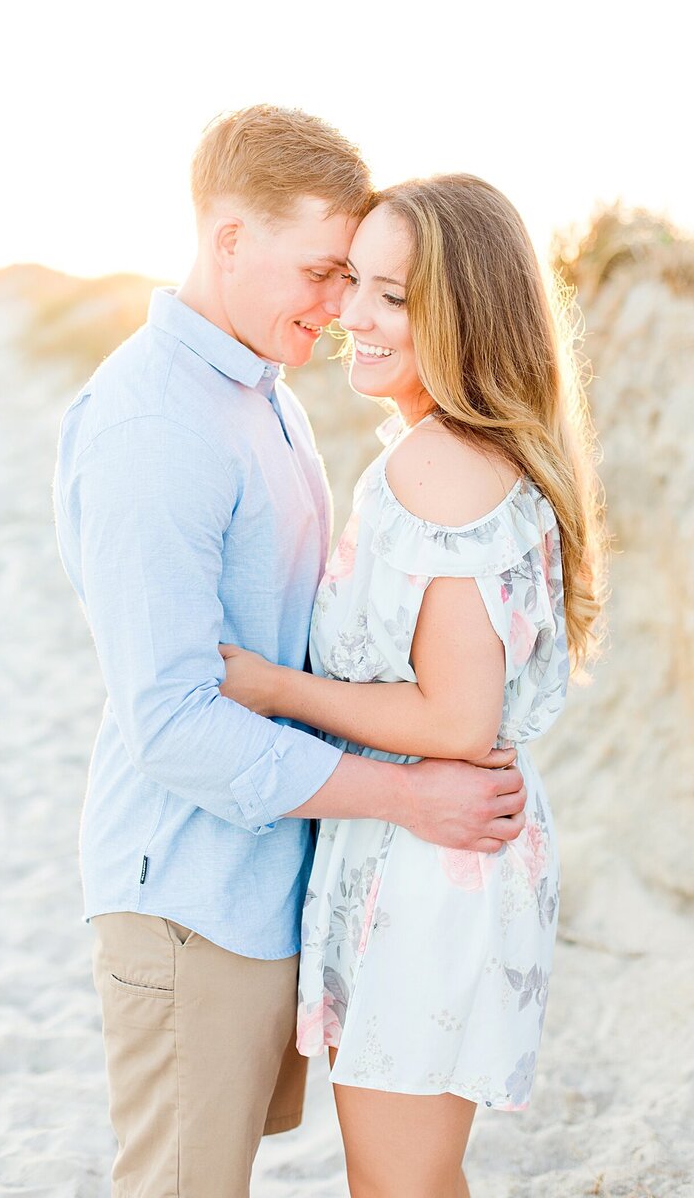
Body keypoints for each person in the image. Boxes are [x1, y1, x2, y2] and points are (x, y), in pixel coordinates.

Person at [53, 109, 528, 1198]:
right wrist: (403, 798)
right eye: (321, 271)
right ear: (227, 241)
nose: (338, 306)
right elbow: (171, 722)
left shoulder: (258, 394)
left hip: (266, 885)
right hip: (189, 897)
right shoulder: (153, 429)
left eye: (358, 279)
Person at [220, 175, 607, 1197]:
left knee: (398, 1184)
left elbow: (453, 716)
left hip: (429, 868)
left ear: (465, 312)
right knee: (417, 1177)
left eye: (393, 296)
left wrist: (270, 687)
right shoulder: (471, 452)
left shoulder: (431, 469)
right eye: (354, 283)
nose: (353, 317)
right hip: (438, 856)